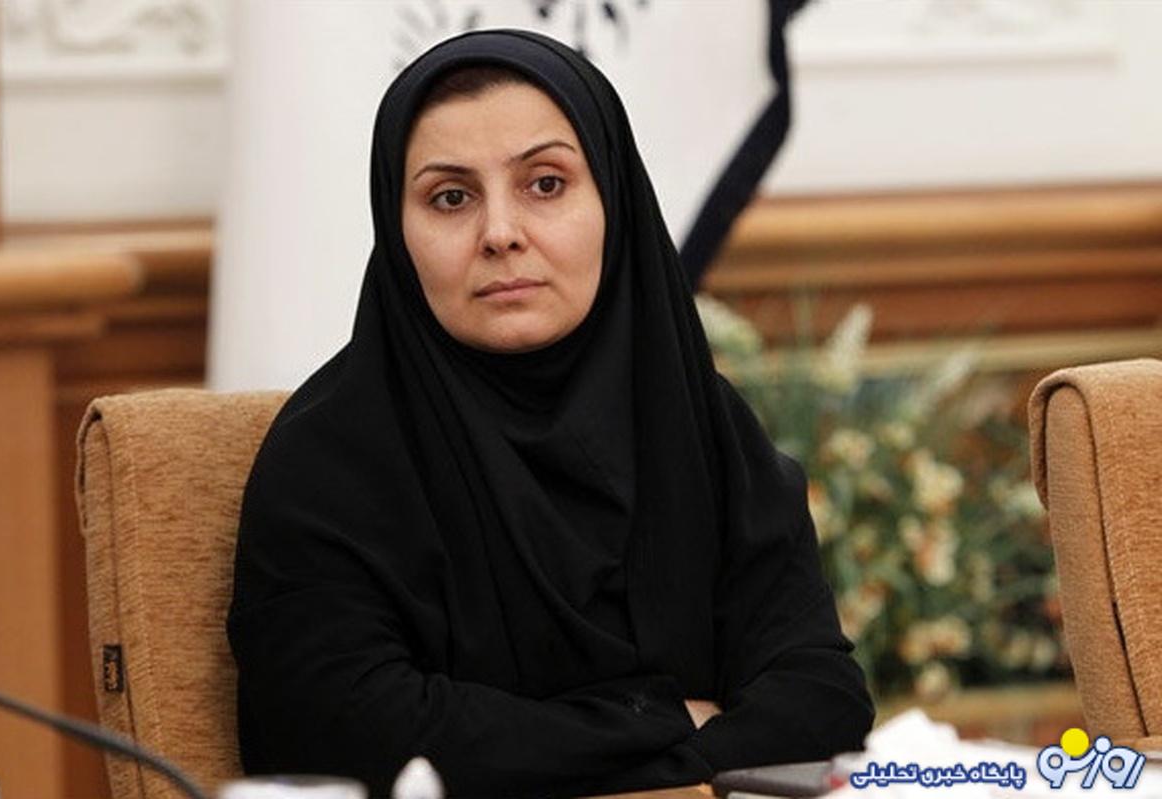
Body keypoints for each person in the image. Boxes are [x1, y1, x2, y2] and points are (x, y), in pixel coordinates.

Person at [227, 28, 873, 799]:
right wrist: (669, 722)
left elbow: (822, 701)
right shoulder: (328, 460)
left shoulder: (700, 423)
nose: (500, 233)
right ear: (397, 233)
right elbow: (346, 733)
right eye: (451, 197)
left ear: (614, 201)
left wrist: (552, 748)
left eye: (545, 184)